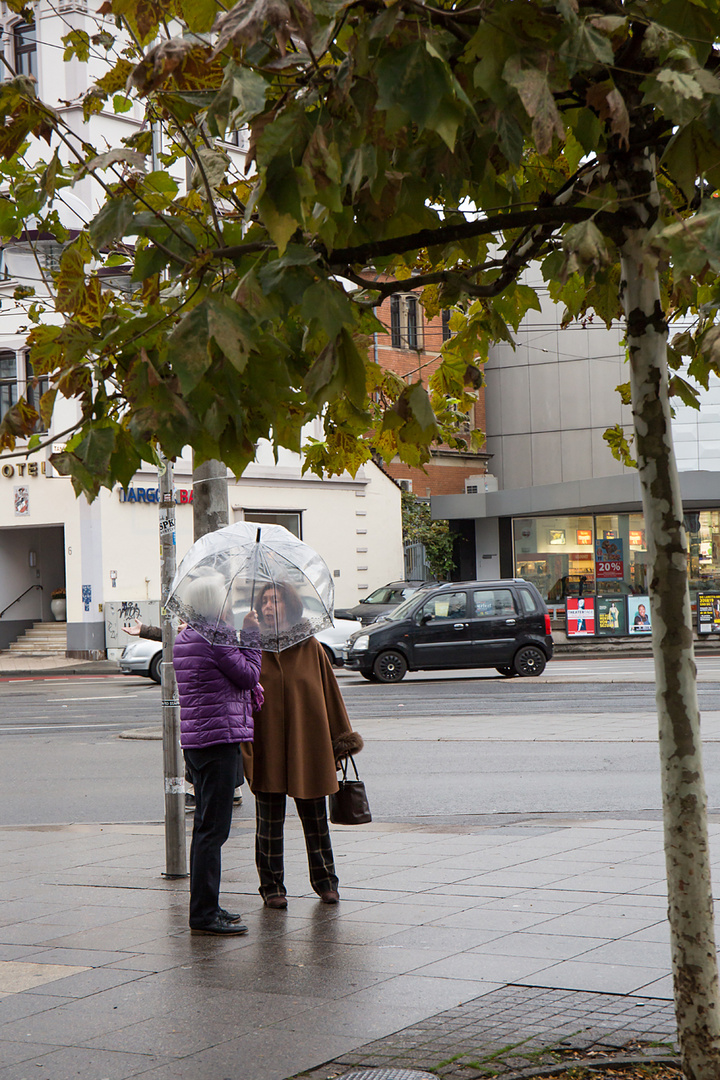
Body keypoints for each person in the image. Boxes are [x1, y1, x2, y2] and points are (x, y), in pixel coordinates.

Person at [242, 581, 363, 910]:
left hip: (306, 745)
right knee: (268, 824)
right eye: (264, 601)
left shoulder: (310, 646)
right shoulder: (251, 646)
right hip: (265, 744)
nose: (269, 606)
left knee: (315, 819)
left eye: (275, 600)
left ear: (290, 605)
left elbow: (329, 696)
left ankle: (326, 882)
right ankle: (271, 887)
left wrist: (339, 744)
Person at [173, 579, 263, 935]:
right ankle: (204, 915)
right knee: (213, 831)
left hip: (198, 744)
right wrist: (251, 635)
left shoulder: (189, 636)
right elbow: (249, 674)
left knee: (205, 829)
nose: (232, 602)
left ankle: (207, 906)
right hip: (219, 741)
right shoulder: (216, 637)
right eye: (227, 597)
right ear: (215, 603)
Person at [123, 618, 244, 810]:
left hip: (218, 699)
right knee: (203, 739)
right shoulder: (200, 623)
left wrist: (196, 630)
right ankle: (222, 789)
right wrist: (146, 630)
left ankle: (212, 789)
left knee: (214, 740)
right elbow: (176, 635)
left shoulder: (219, 621)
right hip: (204, 700)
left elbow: (232, 651)